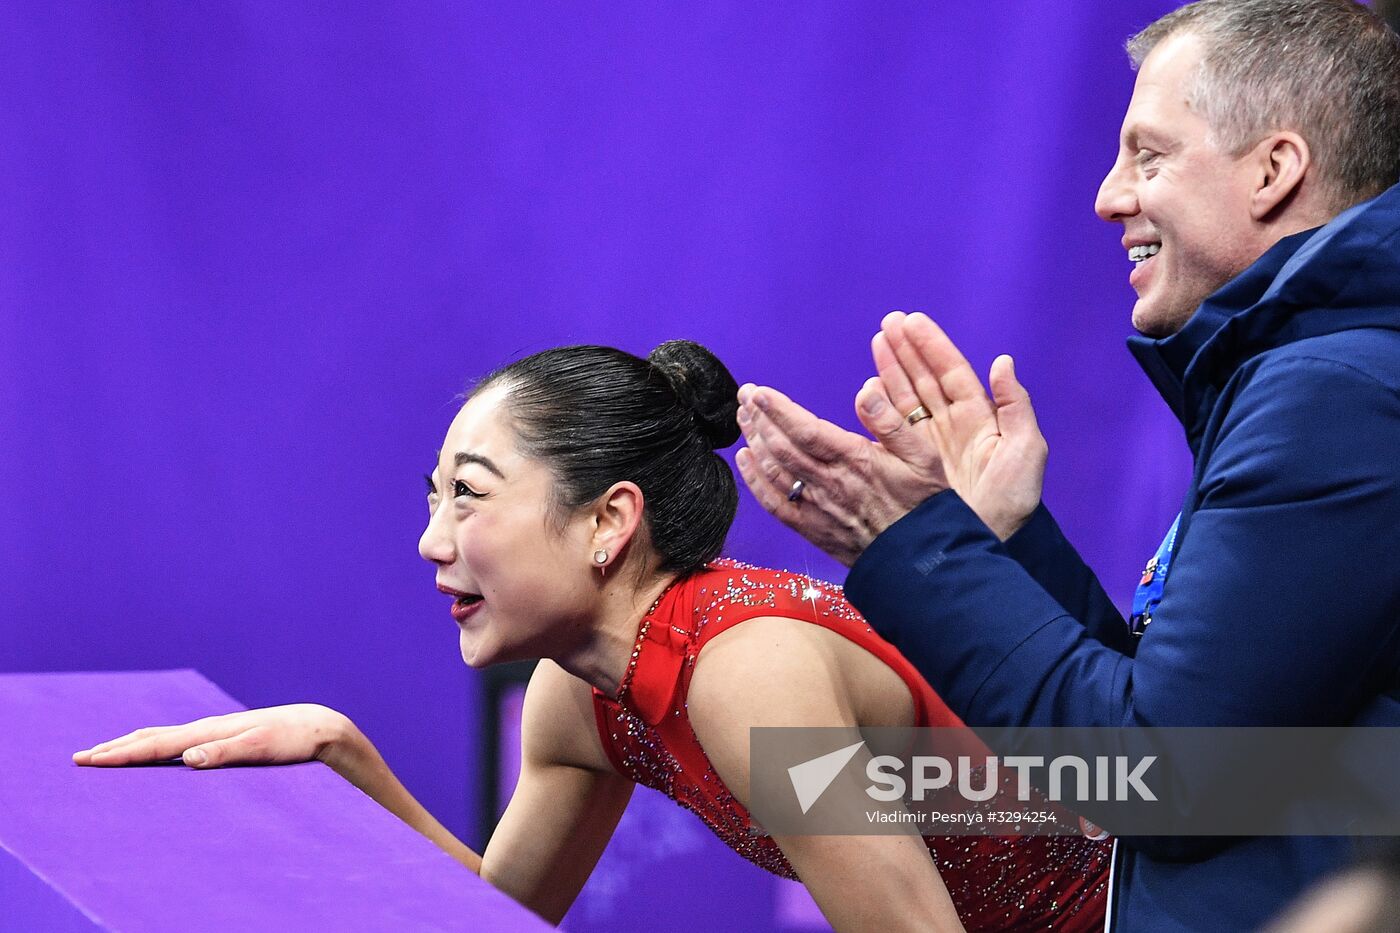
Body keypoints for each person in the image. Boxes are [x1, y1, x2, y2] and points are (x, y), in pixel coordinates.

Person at [734, 2, 1400, 931]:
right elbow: (1204, 732)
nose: (1109, 195)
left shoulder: (1331, 395)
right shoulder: (1332, 378)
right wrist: (1002, 537)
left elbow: (1155, 775)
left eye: (1149, 155)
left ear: (1274, 171)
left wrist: (914, 548)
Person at [73, 341, 1110, 932]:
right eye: (432, 497)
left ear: (608, 522)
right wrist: (343, 752)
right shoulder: (584, 696)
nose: (433, 542)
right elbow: (497, 923)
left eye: (468, 497)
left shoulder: (746, 670)